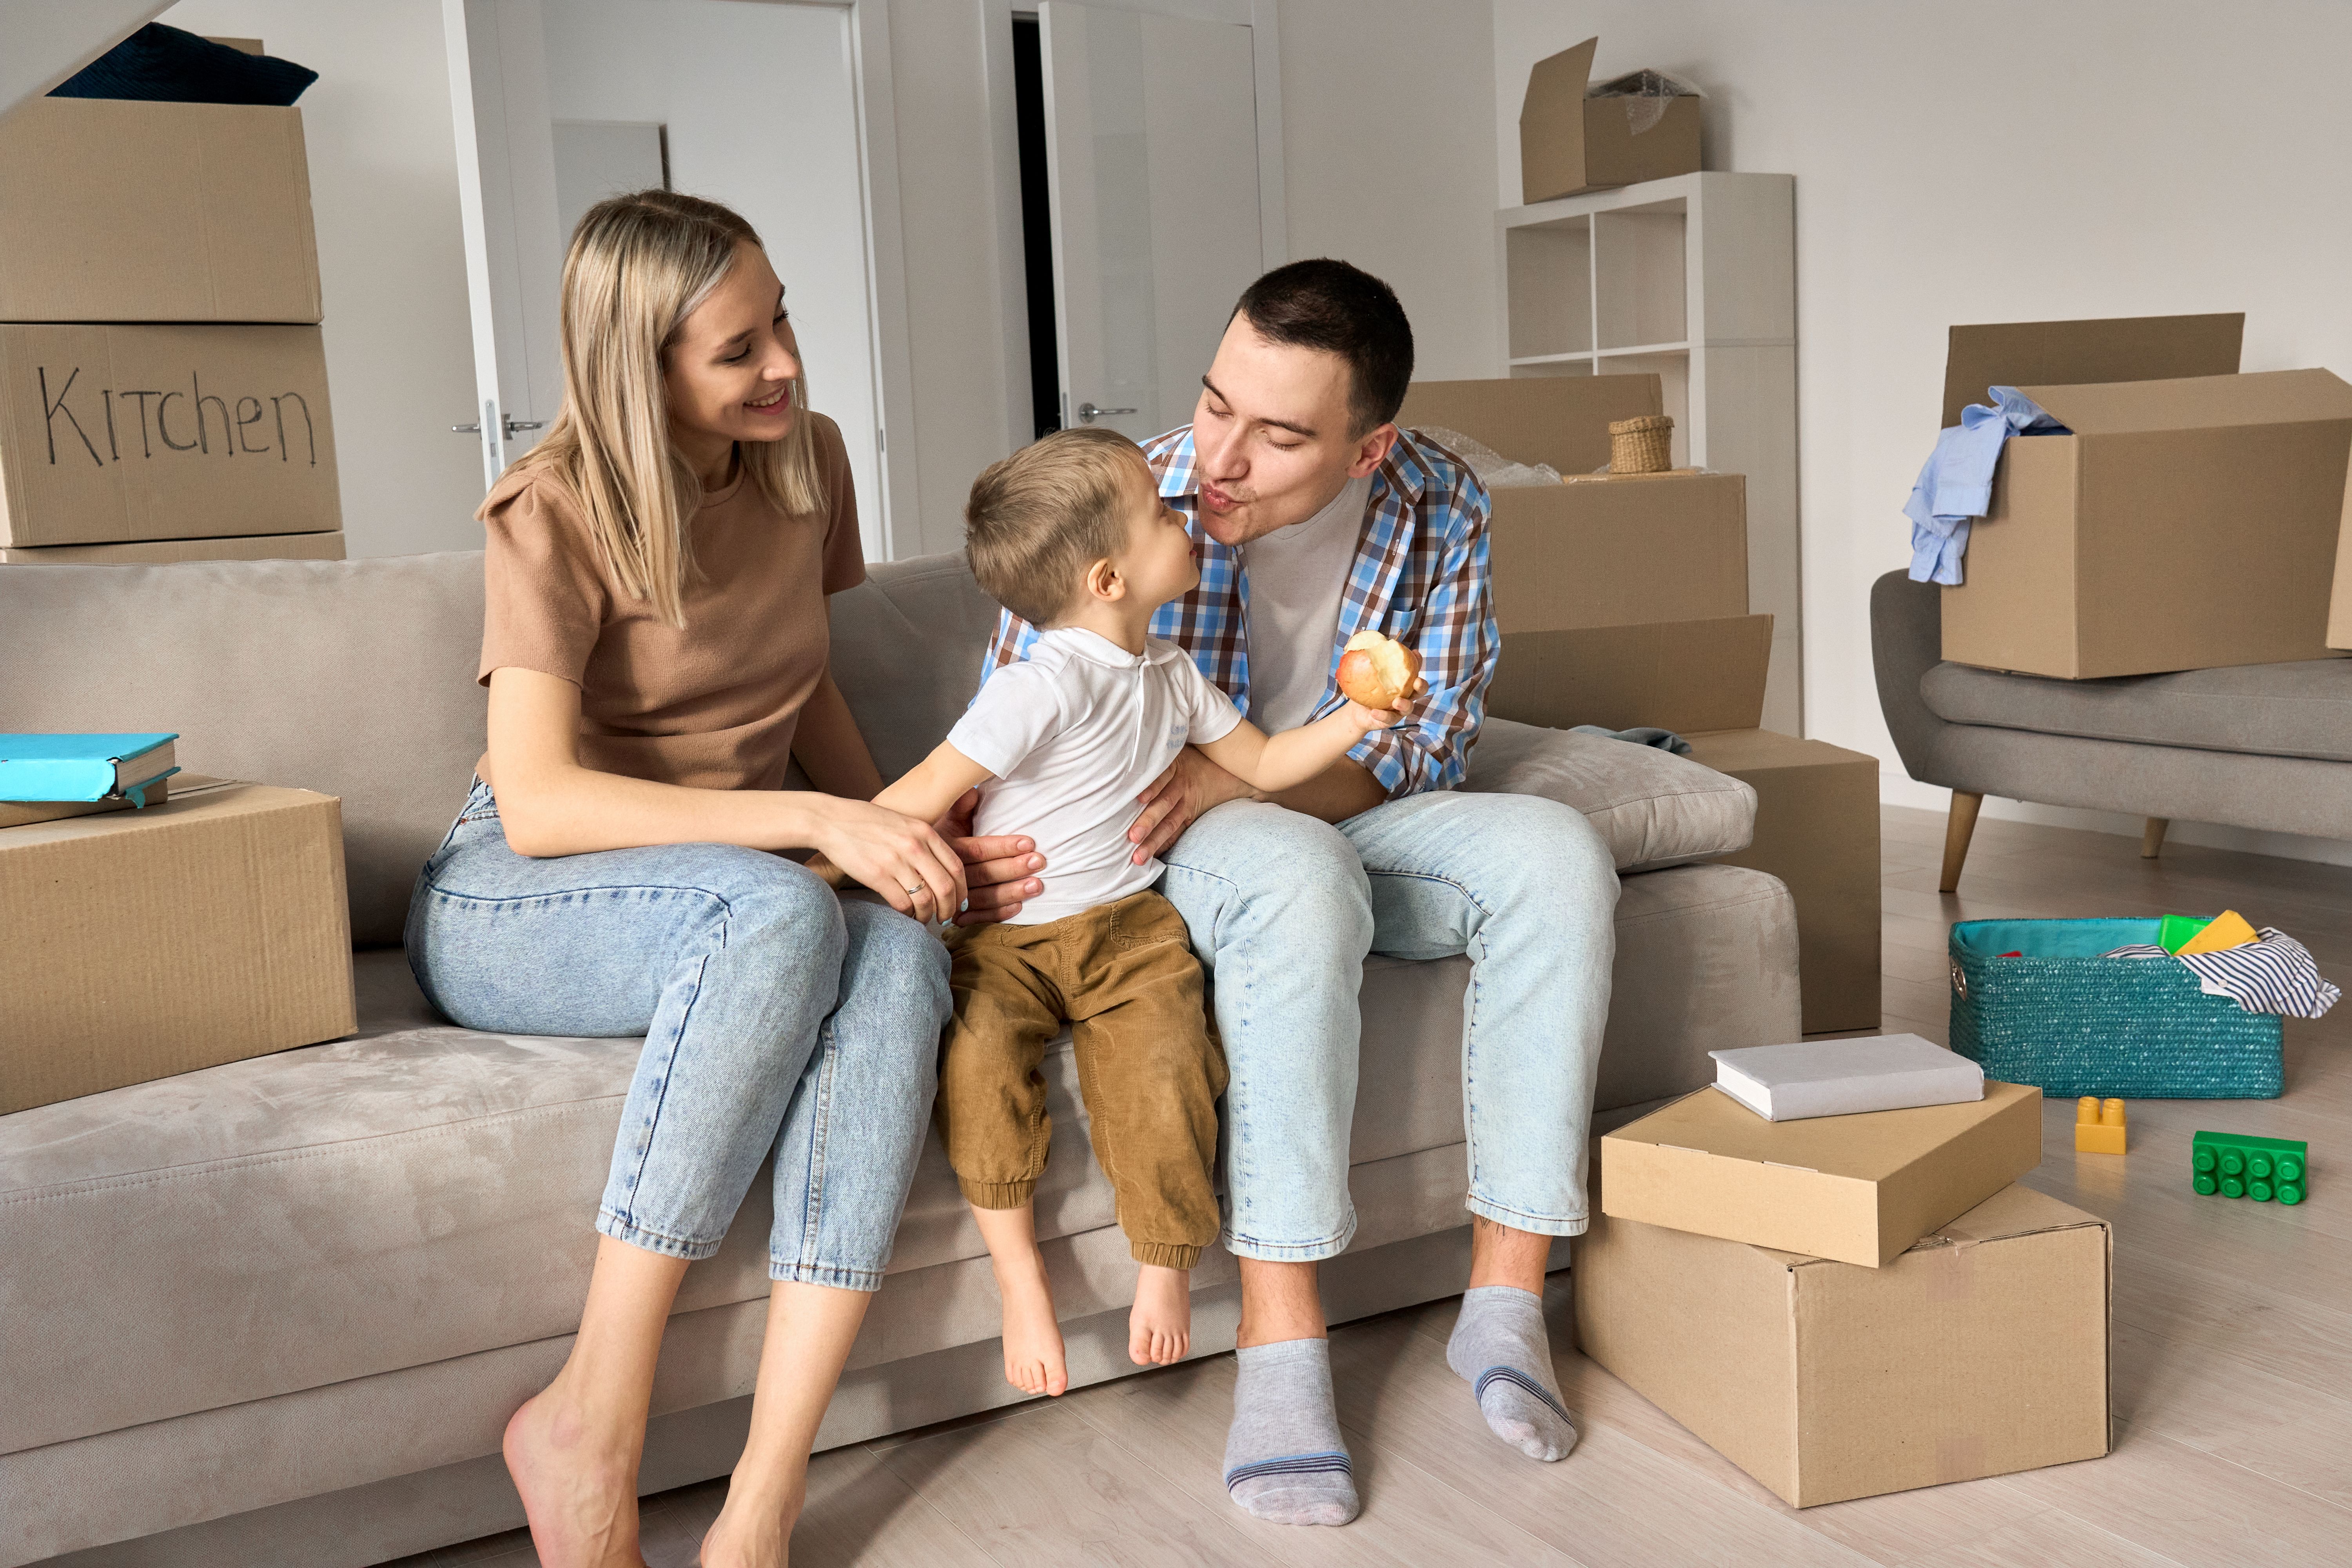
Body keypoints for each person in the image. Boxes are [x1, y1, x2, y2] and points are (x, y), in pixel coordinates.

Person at [404, 190, 1040, 1568]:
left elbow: (800, 678)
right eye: (739, 348)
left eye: (784, 321)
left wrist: (896, 839)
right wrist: (822, 828)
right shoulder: (552, 505)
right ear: (646, 367)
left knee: (899, 954)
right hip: (525, 892)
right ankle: (590, 1422)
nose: (787, 365)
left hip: (747, 875)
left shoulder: (801, 459)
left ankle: (762, 1497)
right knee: (781, 904)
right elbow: (541, 798)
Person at [981, 259, 1619, 1526]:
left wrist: (1247, 788)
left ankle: (1504, 1306)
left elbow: (1423, 748)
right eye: (1217, 403)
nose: (1221, 458)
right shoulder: (1128, 496)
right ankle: (1281, 1352)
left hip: (1324, 799)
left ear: (1369, 446)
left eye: (1278, 437)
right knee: (1300, 875)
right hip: (1174, 843)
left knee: (1557, 852)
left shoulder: (1441, 504)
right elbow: (1017, 716)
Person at [813, 426, 1415, 1399]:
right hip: (1006, 939)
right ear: (1107, 577)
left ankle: (1164, 1266)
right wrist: (823, 867)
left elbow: (1259, 767)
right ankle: (1022, 1282)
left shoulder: (1173, 673)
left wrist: (1356, 717)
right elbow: (927, 786)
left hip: (1130, 930)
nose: (1184, 517)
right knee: (974, 1066)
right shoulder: (1034, 686)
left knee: (1175, 1064)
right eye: (1160, 514)